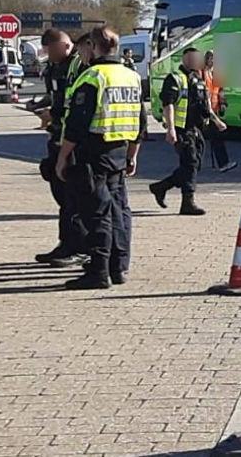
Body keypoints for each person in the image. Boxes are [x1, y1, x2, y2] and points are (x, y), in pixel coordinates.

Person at [54, 27, 145, 289]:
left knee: (97, 214)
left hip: (93, 152)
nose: (82, 51)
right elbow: (140, 120)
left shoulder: (92, 76)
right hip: (118, 150)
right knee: (117, 211)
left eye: (85, 46)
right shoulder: (131, 76)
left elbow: (77, 124)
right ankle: (117, 267)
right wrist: (133, 154)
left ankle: (98, 272)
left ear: (93, 46)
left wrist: (62, 157)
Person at [149, 47, 227, 215]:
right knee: (190, 163)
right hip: (181, 129)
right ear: (185, 59)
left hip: (196, 129)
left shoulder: (198, 79)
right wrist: (170, 129)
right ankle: (187, 202)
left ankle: (161, 186)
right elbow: (168, 104)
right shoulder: (175, 79)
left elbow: (204, 104)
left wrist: (217, 121)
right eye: (193, 58)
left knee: (194, 165)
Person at [35, 28, 88, 268]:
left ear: (66, 46)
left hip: (74, 141)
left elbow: (75, 105)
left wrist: (52, 112)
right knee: (62, 196)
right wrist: (43, 107)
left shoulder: (79, 67)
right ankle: (66, 243)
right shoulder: (53, 68)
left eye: (53, 51)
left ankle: (79, 248)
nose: (50, 56)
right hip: (57, 136)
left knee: (74, 199)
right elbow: (55, 96)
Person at [202, 50, 237, 173]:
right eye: (212, 59)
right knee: (202, 138)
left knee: (217, 137)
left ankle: (223, 163)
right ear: (206, 59)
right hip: (205, 110)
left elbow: (221, 90)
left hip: (214, 110)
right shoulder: (202, 73)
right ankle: (222, 163)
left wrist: (222, 103)